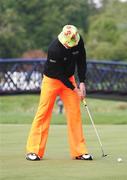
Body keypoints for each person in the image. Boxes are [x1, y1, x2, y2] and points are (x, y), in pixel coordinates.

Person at [26, 25, 93, 161]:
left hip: (69, 78)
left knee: (75, 113)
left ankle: (79, 151)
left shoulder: (78, 42)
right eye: (67, 44)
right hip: (51, 80)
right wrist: (75, 89)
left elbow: (81, 61)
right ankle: (34, 150)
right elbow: (58, 74)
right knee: (43, 113)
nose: (69, 46)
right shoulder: (54, 48)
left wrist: (82, 82)